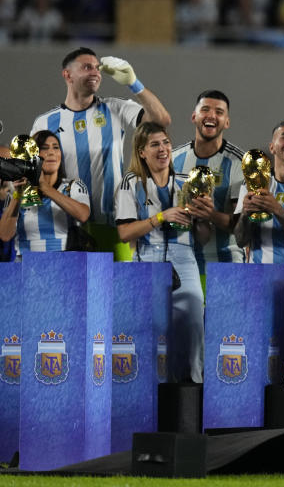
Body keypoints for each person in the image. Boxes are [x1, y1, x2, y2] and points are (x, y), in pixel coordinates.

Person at [32, 48, 171, 259]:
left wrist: (133, 82)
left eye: (97, 68)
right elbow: (37, 176)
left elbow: (162, 120)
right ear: (67, 75)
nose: (96, 73)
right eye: (87, 67)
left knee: (117, 290)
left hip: (114, 224)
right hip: (65, 228)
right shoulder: (45, 122)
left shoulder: (115, 108)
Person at [115, 122, 206, 383]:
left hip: (184, 257)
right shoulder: (130, 183)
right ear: (141, 152)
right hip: (147, 258)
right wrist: (161, 216)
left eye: (165, 142)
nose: (163, 149)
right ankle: (149, 391)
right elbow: (125, 233)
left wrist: (203, 218)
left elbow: (203, 237)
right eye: (155, 144)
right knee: (149, 330)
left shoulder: (188, 183)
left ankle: (192, 389)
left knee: (193, 326)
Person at [234, 120, 284, 383]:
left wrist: (278, 210)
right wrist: (245, 214)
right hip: (260, 286)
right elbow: (239, 239)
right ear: (272, 146)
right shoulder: (253, 184)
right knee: (263, 360)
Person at [171, 90, 245, 275]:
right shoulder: (173, 159)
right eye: (205, 109)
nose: (211, 115)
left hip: (225, 259)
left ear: (227, 122)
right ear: (194, 116)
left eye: (219, 112)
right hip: (181, 260)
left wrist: (209, 214)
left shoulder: (240, 163)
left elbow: (241, 226)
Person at [0, 130, 91, 255]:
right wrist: (18, 195)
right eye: (44, 148)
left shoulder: (72, 186)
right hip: (26, 265)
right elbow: (4, 235)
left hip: (64, 262)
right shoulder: (18, 190)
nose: (51, 152)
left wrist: (45, 187)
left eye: (56, 147)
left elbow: (83, 214)